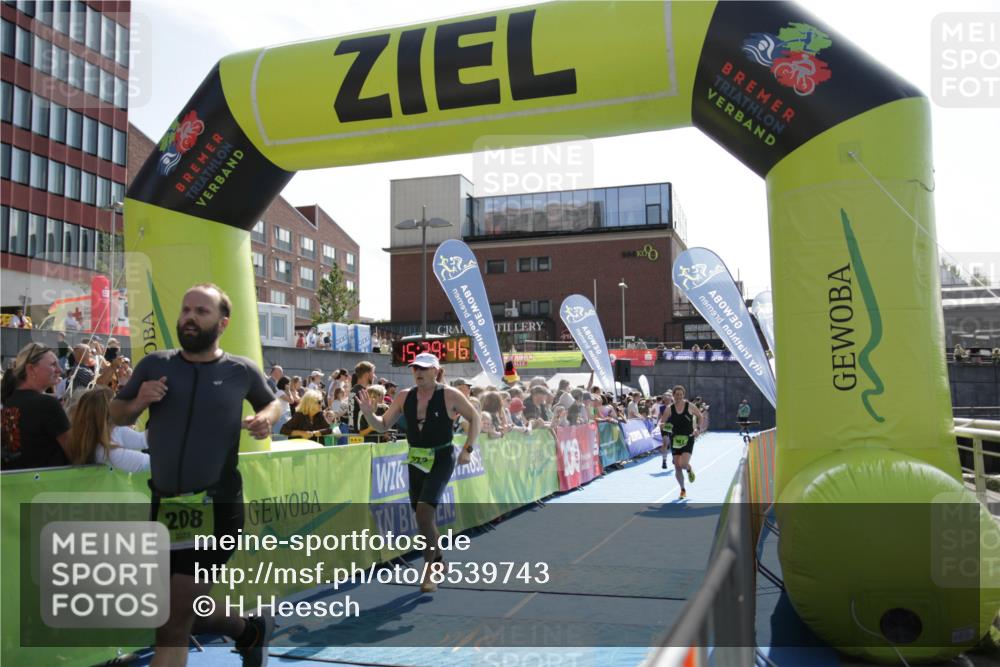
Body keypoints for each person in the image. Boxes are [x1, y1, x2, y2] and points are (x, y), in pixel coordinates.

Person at [110, 283, 282, 666]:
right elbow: (115, 413)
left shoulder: (239, 370)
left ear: (222, 323)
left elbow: (273, 402)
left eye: (201, 311)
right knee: (176, 611)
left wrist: (265, 420)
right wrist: (139, 400)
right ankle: (248, 630)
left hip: (215, 504)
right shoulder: (156, 364)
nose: (189, 317)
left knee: (171, 625)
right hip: (165, 505)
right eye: (186, 309)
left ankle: (247, 631)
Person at [357, 352, 480, 593]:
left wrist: (468, 449)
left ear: (436, 371)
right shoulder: (404, 396)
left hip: (442, 457)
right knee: (423, 517)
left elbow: (474, 418)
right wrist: (369, 413)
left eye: (424, 368)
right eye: (415, 368)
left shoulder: (449, 395)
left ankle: (429, 573)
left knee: (424, 512)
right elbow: (383, 425)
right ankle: (438, 560)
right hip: (416, 458)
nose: (419, 373)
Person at [1, 342, 71, 470]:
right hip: (46, 485)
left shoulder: (8, 401)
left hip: (14, 486)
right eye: (53, 364)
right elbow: (74, 452)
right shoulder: (47, 404)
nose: (59, 370)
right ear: (31, 369)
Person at [66, 386, 149, 472]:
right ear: (106, 415)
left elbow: (142, 439)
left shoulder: (115, 430)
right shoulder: (105, 452)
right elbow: (150, 463)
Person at [664, 385, 705, 499]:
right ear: (673, 395)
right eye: (676, 395)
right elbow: (662, 423)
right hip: (675, 439)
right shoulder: (669, 408)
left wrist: (697, 428)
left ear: (683, 395)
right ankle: (682, 489)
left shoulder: (690, 406)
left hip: (688, 438)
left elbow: (700, 416)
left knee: (683, 464)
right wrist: (665, 427)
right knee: (677, 466)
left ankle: (689, 469)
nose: (679, 397)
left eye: (681, 395)